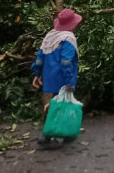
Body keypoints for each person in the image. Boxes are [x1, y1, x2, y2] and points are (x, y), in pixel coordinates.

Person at [31, 8, 82, 145]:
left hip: (48, 77)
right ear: (73, 24)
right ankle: (61, 132)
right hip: (62, 78)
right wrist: (70, 81)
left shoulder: (50, 36)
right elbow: (66, 62)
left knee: (50, 105)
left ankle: (46, 134)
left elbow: (40, 57)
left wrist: (37, 73)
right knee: (63, 105)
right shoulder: (68, 38)